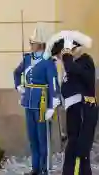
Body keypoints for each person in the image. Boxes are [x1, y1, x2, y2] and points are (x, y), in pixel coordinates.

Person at [44, 31, 97, 175]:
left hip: (84, 110)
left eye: (61, 55)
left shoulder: (85, 61)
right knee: (74, 149)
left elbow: (74, 70)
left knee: (79, 151)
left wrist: (67, 55)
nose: (60, 59)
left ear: (72, 49)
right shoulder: (72, 66)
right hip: (74, 111)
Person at [13, 23, 60, 175]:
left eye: (32, 43)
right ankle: (35, 168)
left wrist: (52, 106)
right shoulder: (27, 59)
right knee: (32, 138)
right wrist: (19, 86)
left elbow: (53, 84)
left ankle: (44, 169)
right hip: (28, 102)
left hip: (43, 103)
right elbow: (16, 72)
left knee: (43, 139)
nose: (30, 45)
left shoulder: (48, 62)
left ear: (40, 44)